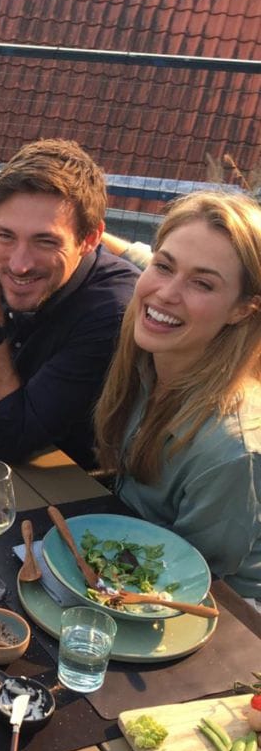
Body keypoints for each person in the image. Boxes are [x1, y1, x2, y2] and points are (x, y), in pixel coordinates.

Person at [95, 191, 261, 603]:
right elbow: (137, 256)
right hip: (128, 554)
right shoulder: (150, 364)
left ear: (242, 310)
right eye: (164, 266)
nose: (167, 293)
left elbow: (193, 582)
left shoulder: (231, 450)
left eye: (202, 283)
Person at [0, 139, 140, 469]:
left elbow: (11, 439)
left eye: (45, 241)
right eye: (5, 235)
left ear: (90, 239)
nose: (19, 264)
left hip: (71, 481)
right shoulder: (25, 267)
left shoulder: (113, 311)